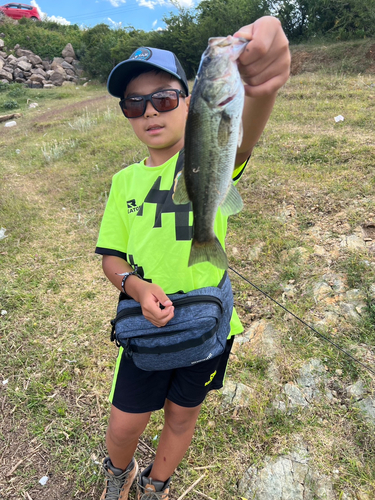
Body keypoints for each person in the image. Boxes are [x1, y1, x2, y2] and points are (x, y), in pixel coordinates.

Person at [95, 16, 290, 500]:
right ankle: (118, 472)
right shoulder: (123, 183)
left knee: (182, 418)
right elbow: (111, 259)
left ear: (190, 103)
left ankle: (156, 484)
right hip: (147, 327)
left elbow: (242, 132)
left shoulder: (207, 148)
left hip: (208, 325)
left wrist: (262, 87)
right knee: (124, 426)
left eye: (162, 98)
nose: (149, 112)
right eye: (133, 104)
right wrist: (136, 288)